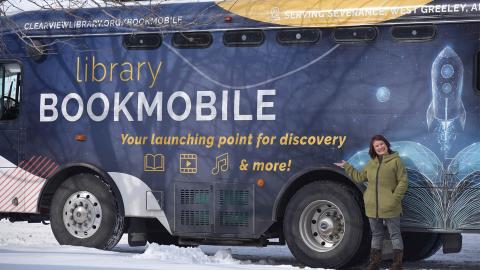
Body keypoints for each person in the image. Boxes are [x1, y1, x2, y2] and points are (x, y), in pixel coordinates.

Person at [334, 135, 408, 270]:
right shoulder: (371, 163)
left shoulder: (396, 161)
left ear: (386, 144)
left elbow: (403, 182)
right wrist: (347, 166)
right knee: (376, 235)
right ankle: (374, 263)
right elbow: (360, 177)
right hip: (372, 207)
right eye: (376, 146)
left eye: (381, 144)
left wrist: (394, 199)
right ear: (373, 149)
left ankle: (397, 264)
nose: (380, 147)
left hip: (390, 206)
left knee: (395, 235)